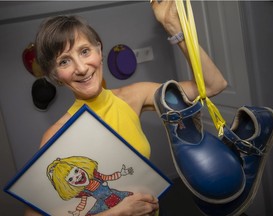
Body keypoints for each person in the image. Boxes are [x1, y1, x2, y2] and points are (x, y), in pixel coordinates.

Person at [25, 0, 227, 215]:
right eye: (64, 61)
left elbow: (213, 84)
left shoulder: (134, 96)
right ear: (56, 75)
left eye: (84, 51)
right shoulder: (56, 135)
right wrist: (117, 213)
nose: (82, 68)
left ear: (99, 51)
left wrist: (173, 26)